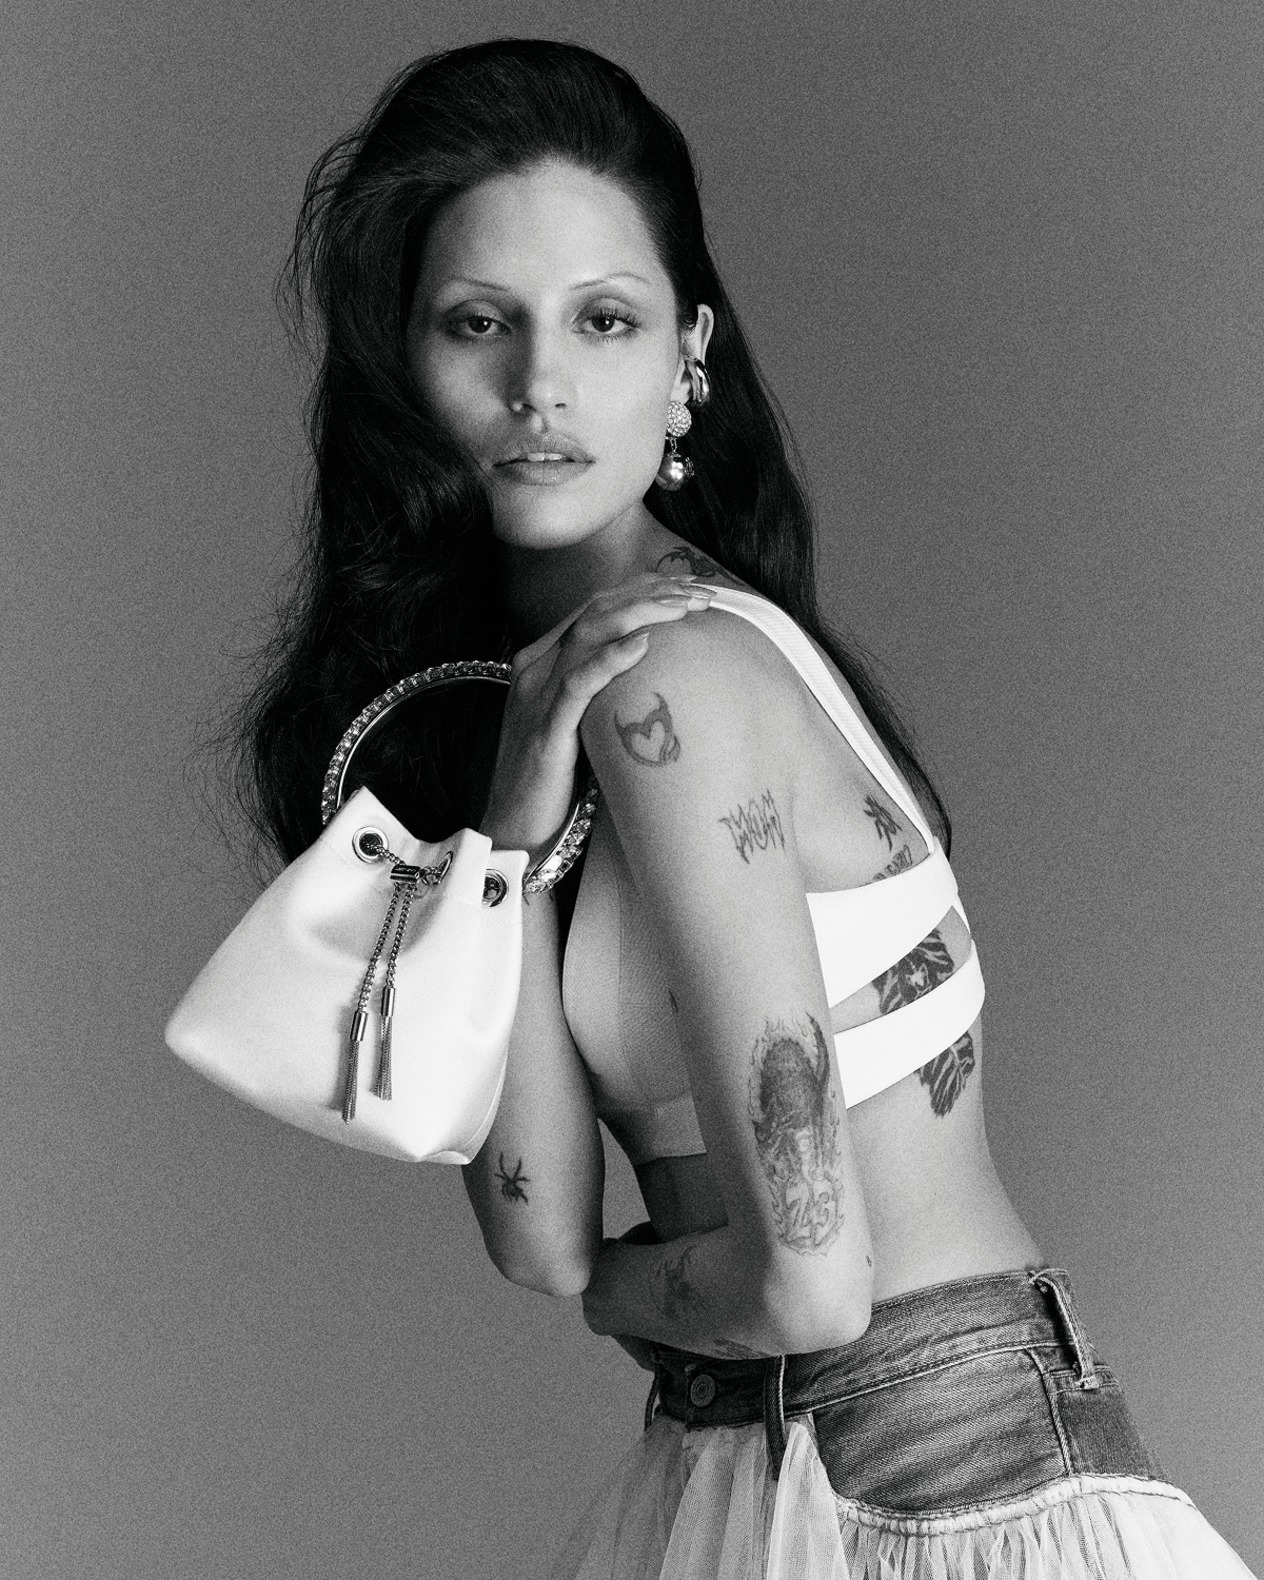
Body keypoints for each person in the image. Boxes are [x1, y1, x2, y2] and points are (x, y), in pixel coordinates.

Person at [234, 37, 1256, 1580]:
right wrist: (507, 819)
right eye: (478, 325)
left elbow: (799, 1285)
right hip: (746, 1452)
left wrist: (614, 1301)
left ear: (686, 354)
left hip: (929, 1458)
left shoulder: (680, 684)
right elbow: (535, 1227)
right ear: (405, 364)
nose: (541, 388)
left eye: (604, 320)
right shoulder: (535, 711)